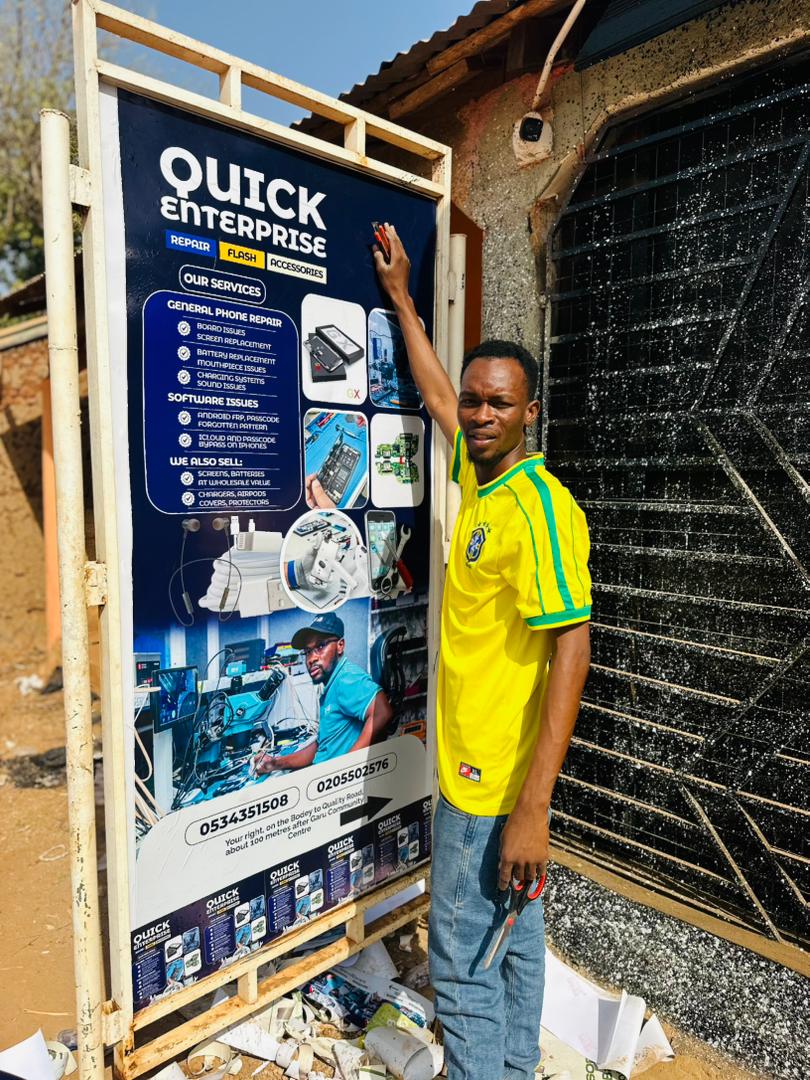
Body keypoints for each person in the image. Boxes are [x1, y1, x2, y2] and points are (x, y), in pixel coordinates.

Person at [374, 224, 592, 1080]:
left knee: (461, 956)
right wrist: (401, 299)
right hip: (478, 769)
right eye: (476, 400)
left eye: (500, 403)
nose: (481, 414)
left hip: (492, 785)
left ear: (531, 410)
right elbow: (433, 397)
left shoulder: (538, 507)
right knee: (516, 932)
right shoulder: (482, 473)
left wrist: (533, 808)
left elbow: (572, 651)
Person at [253, 612, 392, 771]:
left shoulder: (346, 679)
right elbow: (322, 745)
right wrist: (276, 763)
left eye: (320, 647)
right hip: (320, 774)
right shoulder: (332, 684)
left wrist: (348, 771)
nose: (311, 659)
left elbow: (382, 712)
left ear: (340, 646)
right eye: (307, 651)